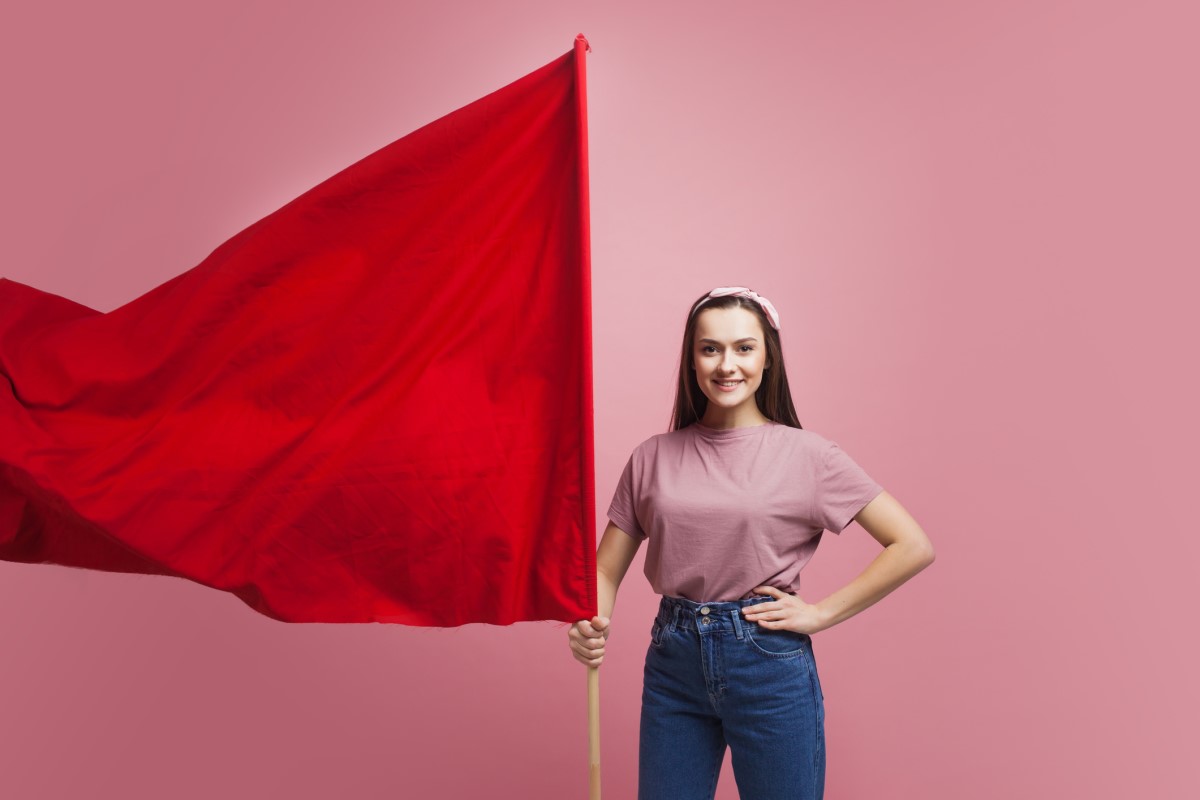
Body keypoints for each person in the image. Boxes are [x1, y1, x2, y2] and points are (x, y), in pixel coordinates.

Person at [567, 286, 935, 800]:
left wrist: (822, 614)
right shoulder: (652, 457)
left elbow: (912, 544)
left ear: (768, 358)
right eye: (710, 348)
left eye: (744, 348)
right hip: (674, 662)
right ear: (691, 360)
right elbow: (605, 571)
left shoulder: (810, 456)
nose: (726, 365)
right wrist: (591, 621)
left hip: (768, 664)